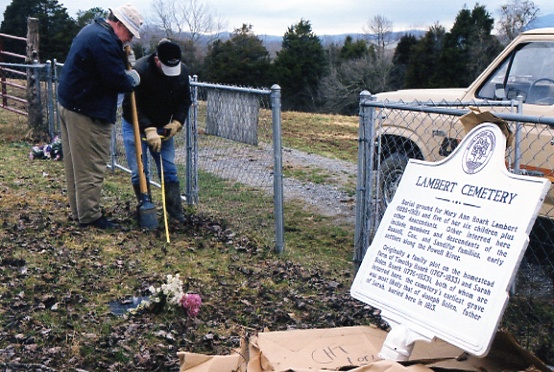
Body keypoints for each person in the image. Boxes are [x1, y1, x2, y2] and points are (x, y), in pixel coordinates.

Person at [57, 3, 143, 229]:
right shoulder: (104, 40)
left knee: (76, 167)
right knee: (91, 166)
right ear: (119, 24)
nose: (130, 40)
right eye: (130, 33)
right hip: (87, 112)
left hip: (71, 104)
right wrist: (132, 78)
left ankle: (81, 212)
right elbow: (116, 79)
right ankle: (91, 217)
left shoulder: (91, 31)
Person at [121, 39, 192, 223]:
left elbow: (185, 100)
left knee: (169, 169)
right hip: (135, 125)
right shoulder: (140, 71)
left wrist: (176, 122)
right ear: (157, 60)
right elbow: (131, 105)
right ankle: (146, 209)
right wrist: (148, 129)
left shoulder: (182, 72)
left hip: (162, 126)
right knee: (139, 171)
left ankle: (175, 214)